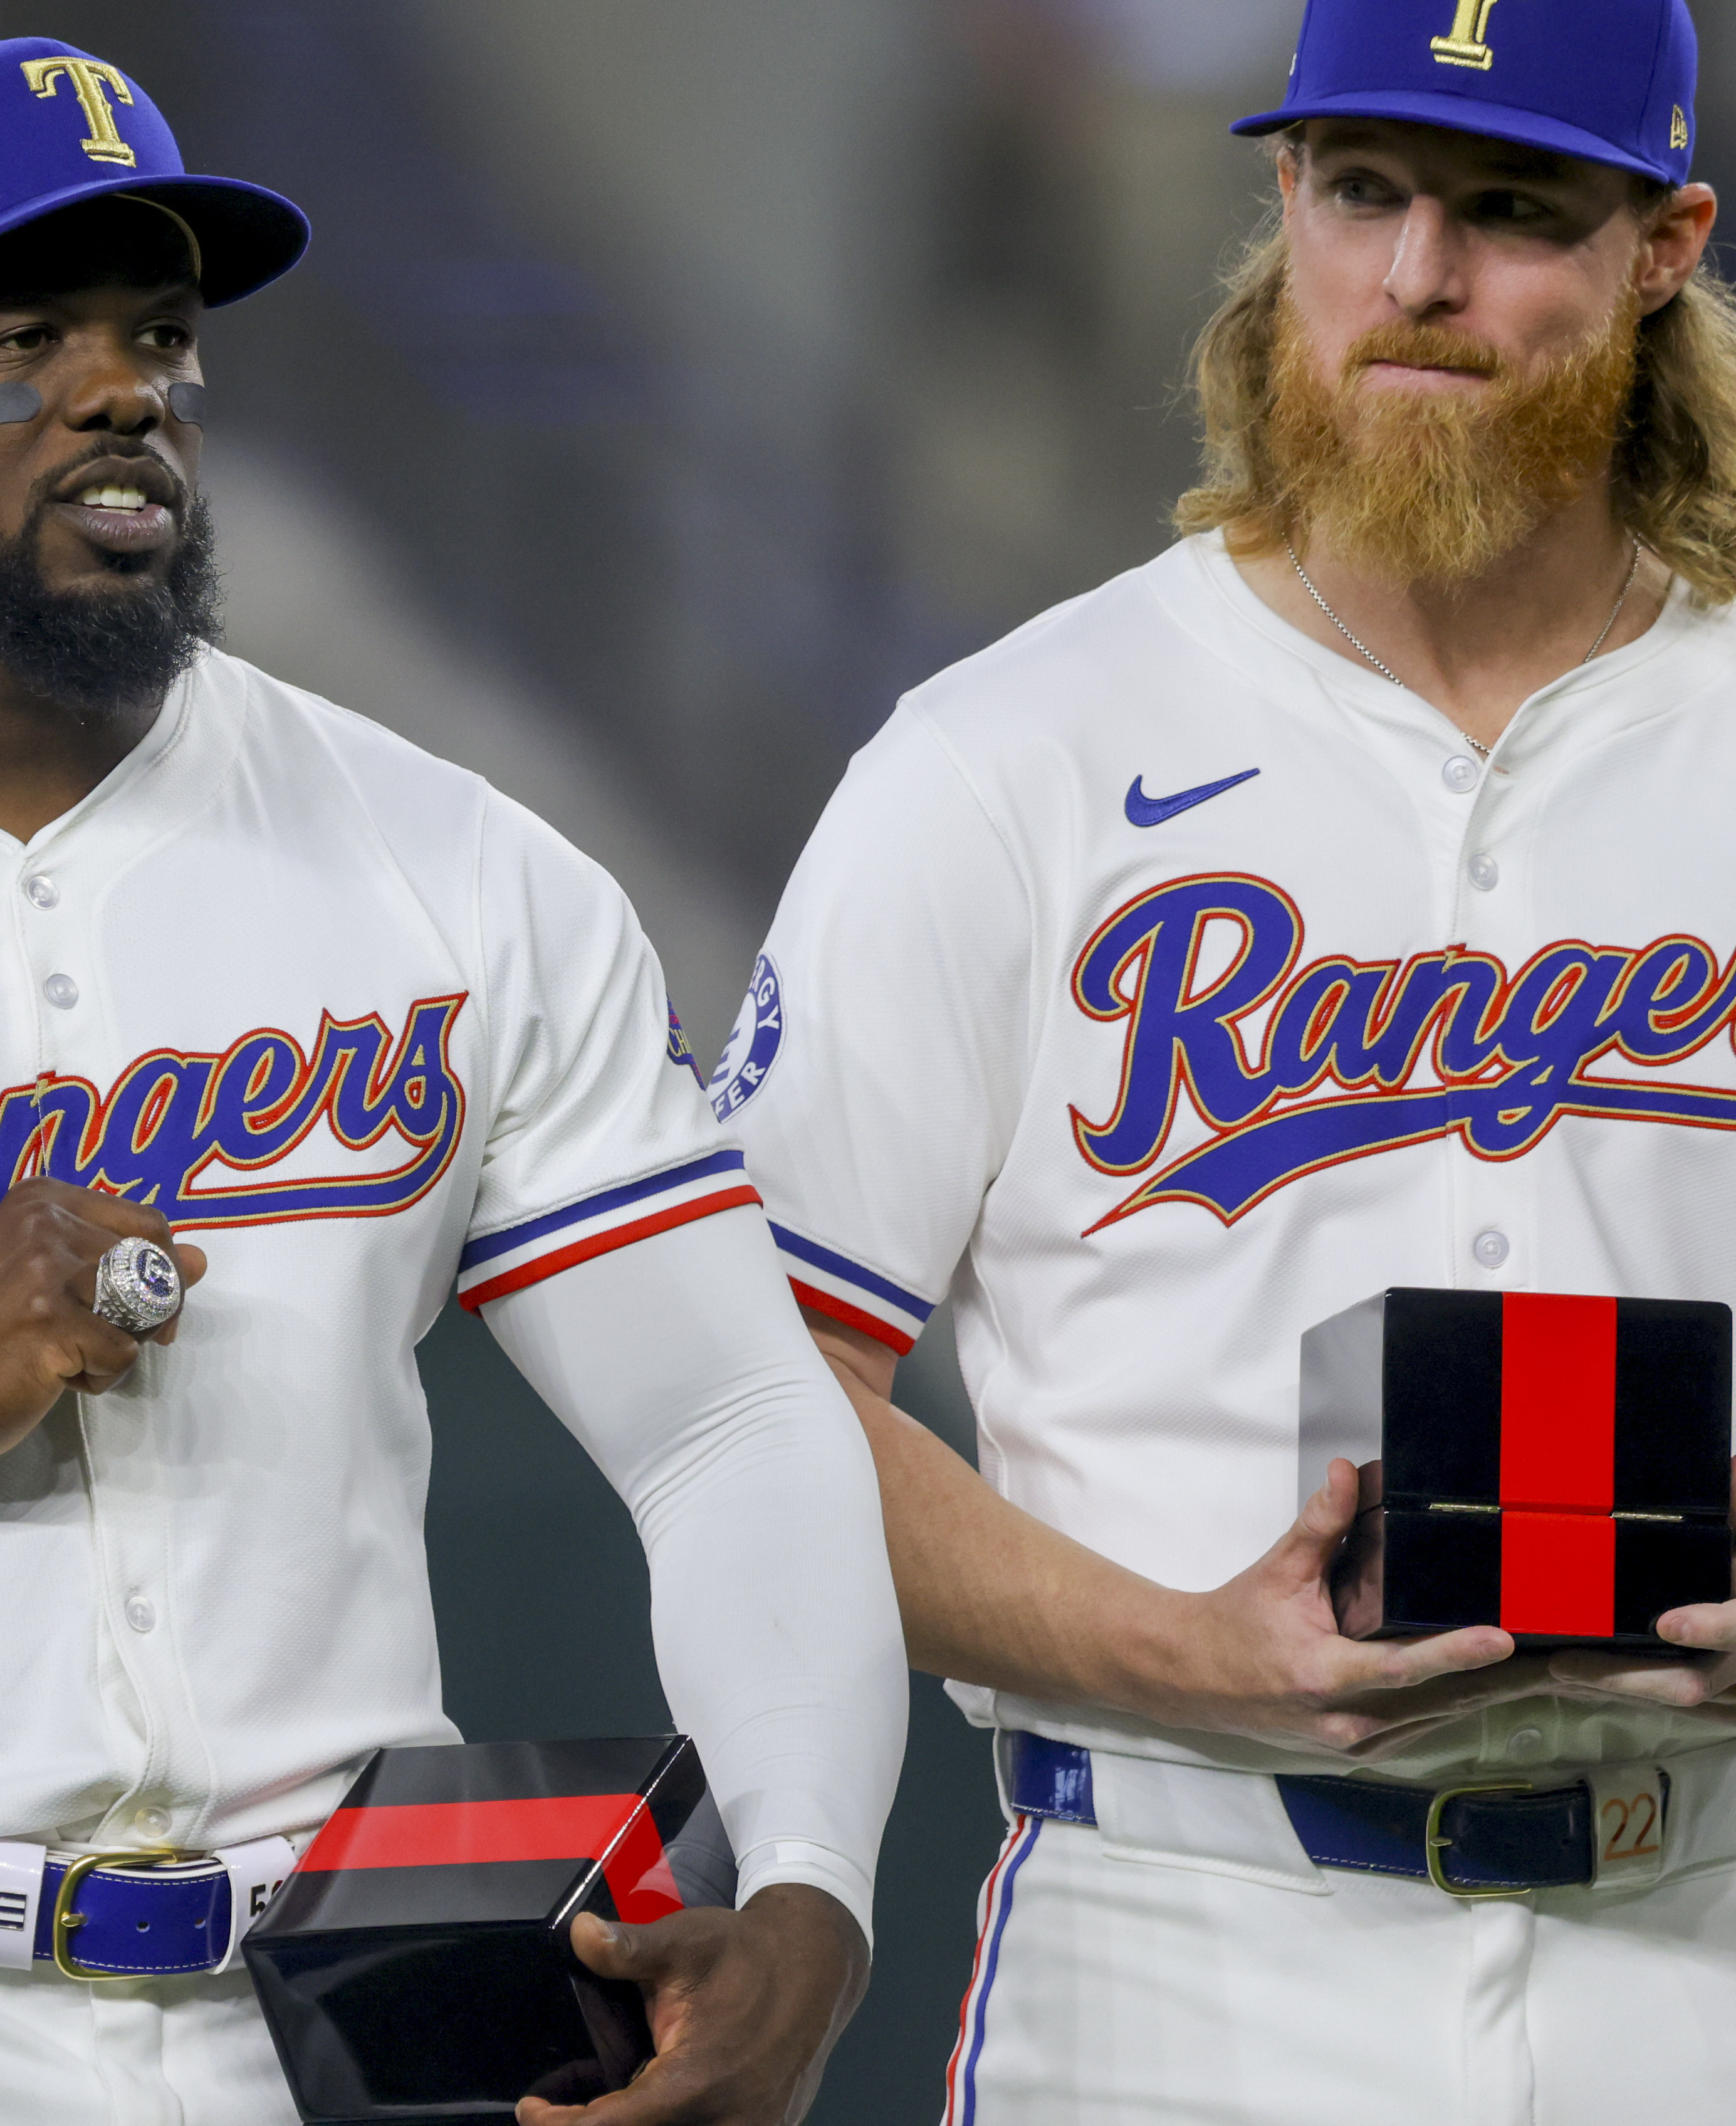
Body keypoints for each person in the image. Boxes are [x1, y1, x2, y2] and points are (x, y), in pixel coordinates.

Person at [0, 36, 905, 2126]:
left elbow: (734, 1421)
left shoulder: (448, 864)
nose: (124, 385)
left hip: (346, 2017)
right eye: (26, 332)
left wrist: (816, 1888)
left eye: (159, 332)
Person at [718, 0, 1736, 2117]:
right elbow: (753, 1409)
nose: (1415, 282)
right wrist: (1191, 1642)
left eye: (1513, 211)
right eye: (1362, 191)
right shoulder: (1009, 761)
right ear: (1283, 200)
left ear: (1667, 247)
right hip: (1181, 1948)